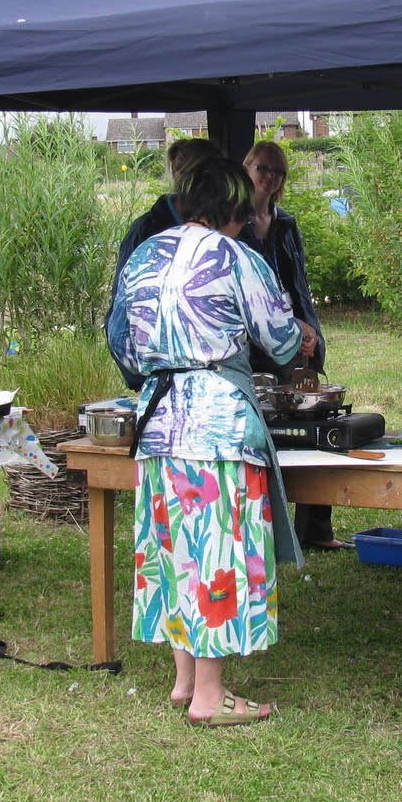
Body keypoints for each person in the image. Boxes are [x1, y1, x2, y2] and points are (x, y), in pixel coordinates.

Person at [107, 156, 313, 726]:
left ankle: (184, 682)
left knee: (175, 549)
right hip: (218, 423)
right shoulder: (236, 256)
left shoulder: (144, 256)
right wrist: (300, 334)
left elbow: (122, 345)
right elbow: (280, 340)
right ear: (234, 210)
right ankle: (210, 696)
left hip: (156, 421)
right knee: (216, 553)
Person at [239, 140, 342, 551]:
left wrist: (310, 331)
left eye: (277, 170)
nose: (269, 176)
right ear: (246, 169)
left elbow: (298, 284)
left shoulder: (286, 222)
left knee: (316, 423)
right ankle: (262, 527)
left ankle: (316, 529)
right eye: (262, 167)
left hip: (296, 335)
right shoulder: (233, 223)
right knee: (266, 431)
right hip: (251, 344)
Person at [110, 137, 223, 389]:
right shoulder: (146, 231)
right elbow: (120, 319)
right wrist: (144, 380)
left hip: (214, 382)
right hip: (159, 382)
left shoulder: (222, 229)